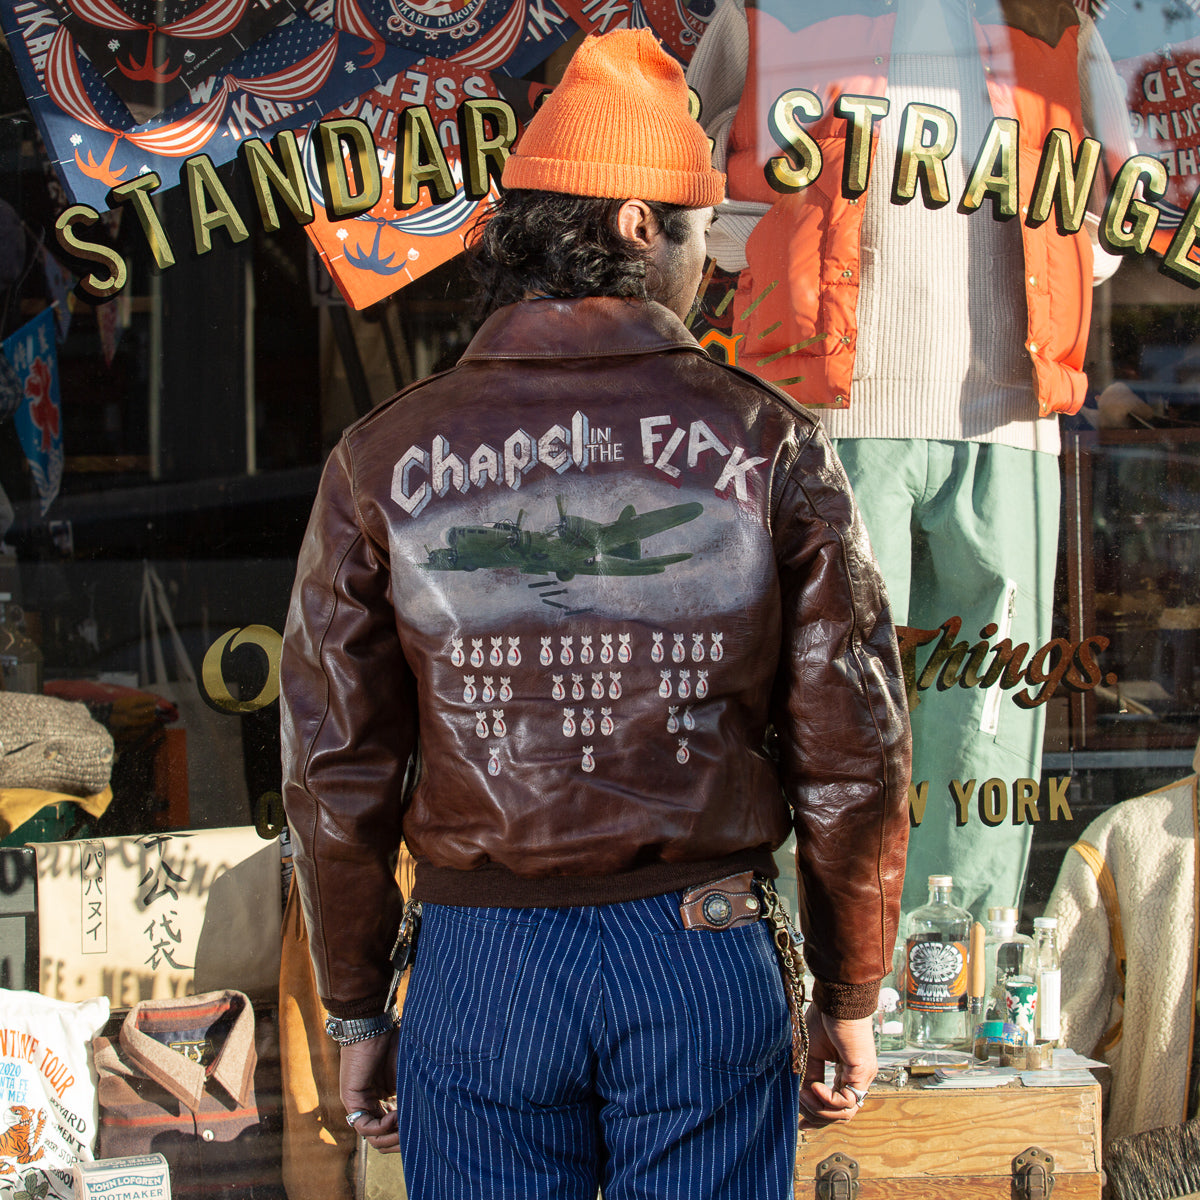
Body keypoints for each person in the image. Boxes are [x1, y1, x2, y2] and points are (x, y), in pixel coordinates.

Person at [280, 28, 911, 1200]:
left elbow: (335, 767)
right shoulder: (770, 443)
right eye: (697, 232)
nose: (708, 266)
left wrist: (357, 1005)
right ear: (634, 223)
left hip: (480, 967)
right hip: (696, 954)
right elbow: (852, 748)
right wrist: (850, 990)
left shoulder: (381, 455)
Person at [688, 0, 1133, 923]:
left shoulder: (1049, 21)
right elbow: (682, 172)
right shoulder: (774, 12)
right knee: (830, 711)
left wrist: (1071, 251)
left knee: (986, 726)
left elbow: (1121, 207)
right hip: (833, 417)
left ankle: (956, 986)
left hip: (1009, 415)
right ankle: (823, 981)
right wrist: (753, 235)